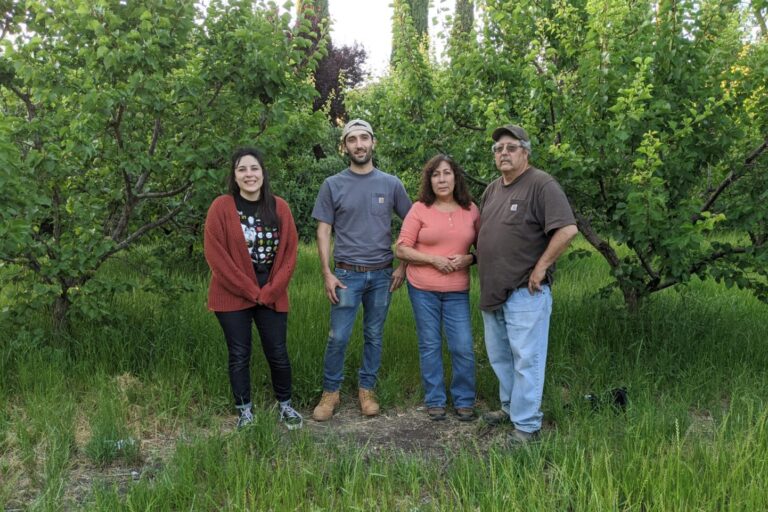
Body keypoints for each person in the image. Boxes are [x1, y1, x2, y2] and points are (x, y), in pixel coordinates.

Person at [477, 124, 578, 444]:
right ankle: (510, 409)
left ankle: (527, 427)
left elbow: (567, 230)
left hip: (525, 291)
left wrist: (541, 268)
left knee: (526, 360)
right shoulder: (493, 189)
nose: (503, 153)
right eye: (498, 149)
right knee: (502, 358)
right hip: (493, 290)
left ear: (525, 151)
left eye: (510, 147)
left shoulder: (541, 184)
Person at [311, 119, 412, 421]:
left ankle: (366, 389)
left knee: (374, 335)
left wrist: (403, 265)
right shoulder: (333, 184)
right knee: (338, 336)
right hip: (345, 275)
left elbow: (413, 223)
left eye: (364, 138)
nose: (359, 144)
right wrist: (327, 273)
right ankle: (331, 392)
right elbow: (323, 230)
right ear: (344, 147)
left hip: (382, 275)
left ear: (373, 143)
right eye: (352, 139)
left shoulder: (391, 183)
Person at [204, 147, 302, 430]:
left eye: (254, 168)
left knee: (278, 351)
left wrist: (271, 291)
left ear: (263, 173)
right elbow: (216, 256)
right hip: (232, 294)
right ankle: (245, 411)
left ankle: (285, 406)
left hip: (271, 292)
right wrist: (250, 290)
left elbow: (290, 253)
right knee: (239, 353)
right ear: (234, 176)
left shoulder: (279, 206)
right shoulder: (221, 207)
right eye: (242, 169)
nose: (249, 174)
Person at [395, 155, 479, 422]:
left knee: (462, 346)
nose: (442, 179)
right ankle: (435, 400)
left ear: (456, 177)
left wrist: (470, 258)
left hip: (457, 289)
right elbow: (401, 247)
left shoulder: (471, 210)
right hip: (422, 288)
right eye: (436, 175)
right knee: (430, 344)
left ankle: (465, 400)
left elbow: (485, 246)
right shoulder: (420, 209)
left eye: (447, 173)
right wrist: (433, 259)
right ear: (429, 180)